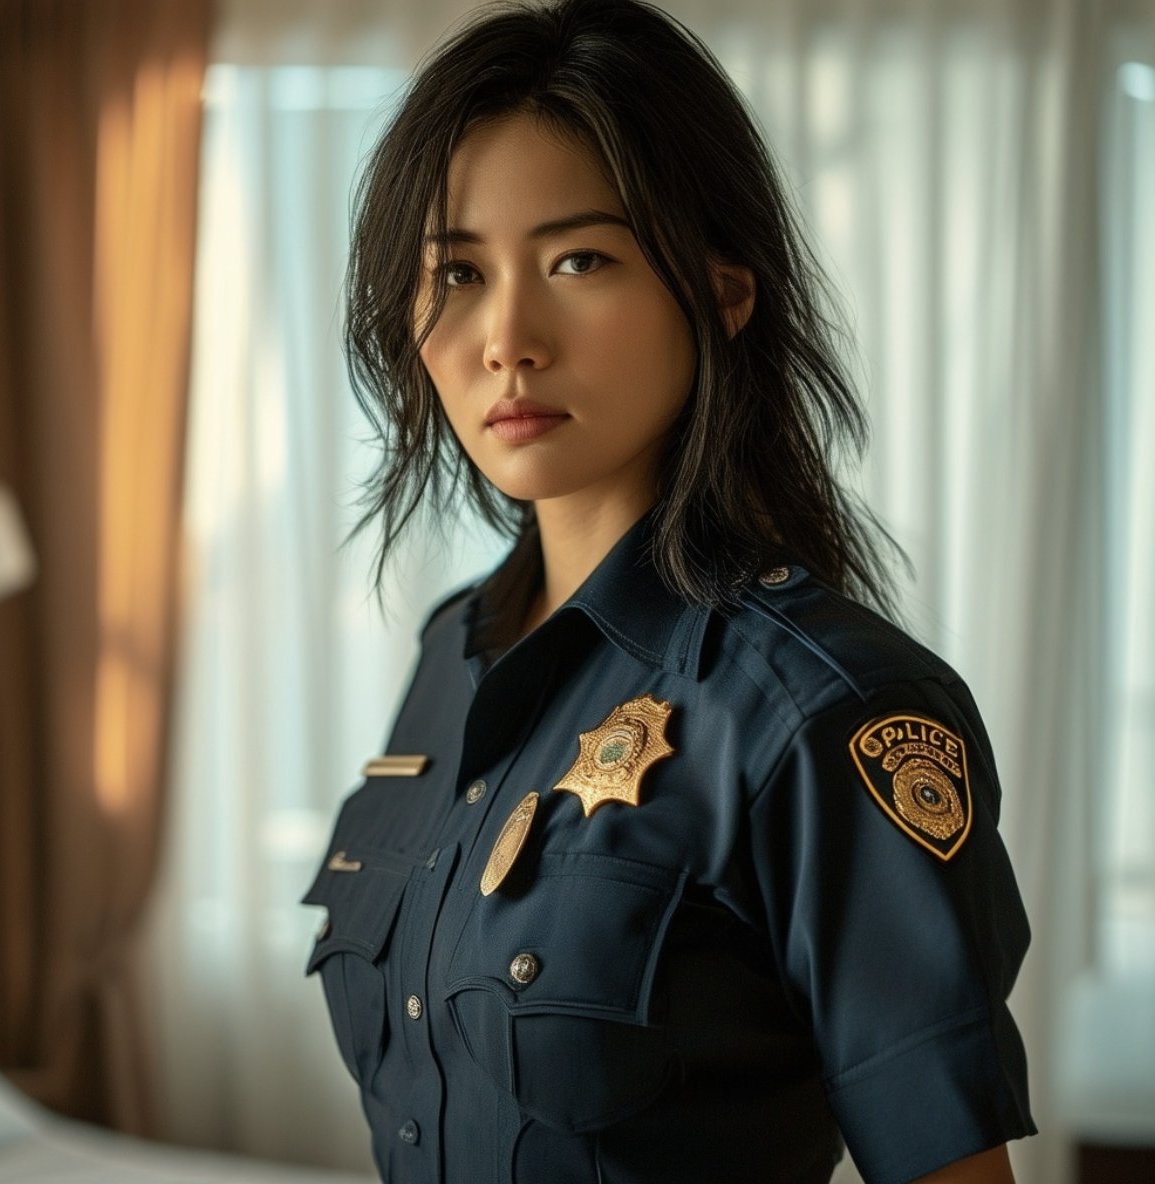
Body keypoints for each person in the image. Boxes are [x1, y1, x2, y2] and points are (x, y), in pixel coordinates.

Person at [303, 1, 1036, 1181]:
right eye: (456, 271)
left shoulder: (822, 708)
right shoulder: (456, 650)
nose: (506, 337)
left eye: (578, 259)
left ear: (723, 289)